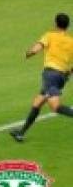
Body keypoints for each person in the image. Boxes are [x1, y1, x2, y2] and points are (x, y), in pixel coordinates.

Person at [11, 13, 73, 142]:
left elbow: (37, 48)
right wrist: (69, 73)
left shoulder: (49, 35)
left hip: (50, 75)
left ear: (56, 23)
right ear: (67, 26)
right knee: (37, 102)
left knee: (55, 106)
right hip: (61, 77)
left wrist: (28, 53)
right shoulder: (71, 41)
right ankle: (21, 132)